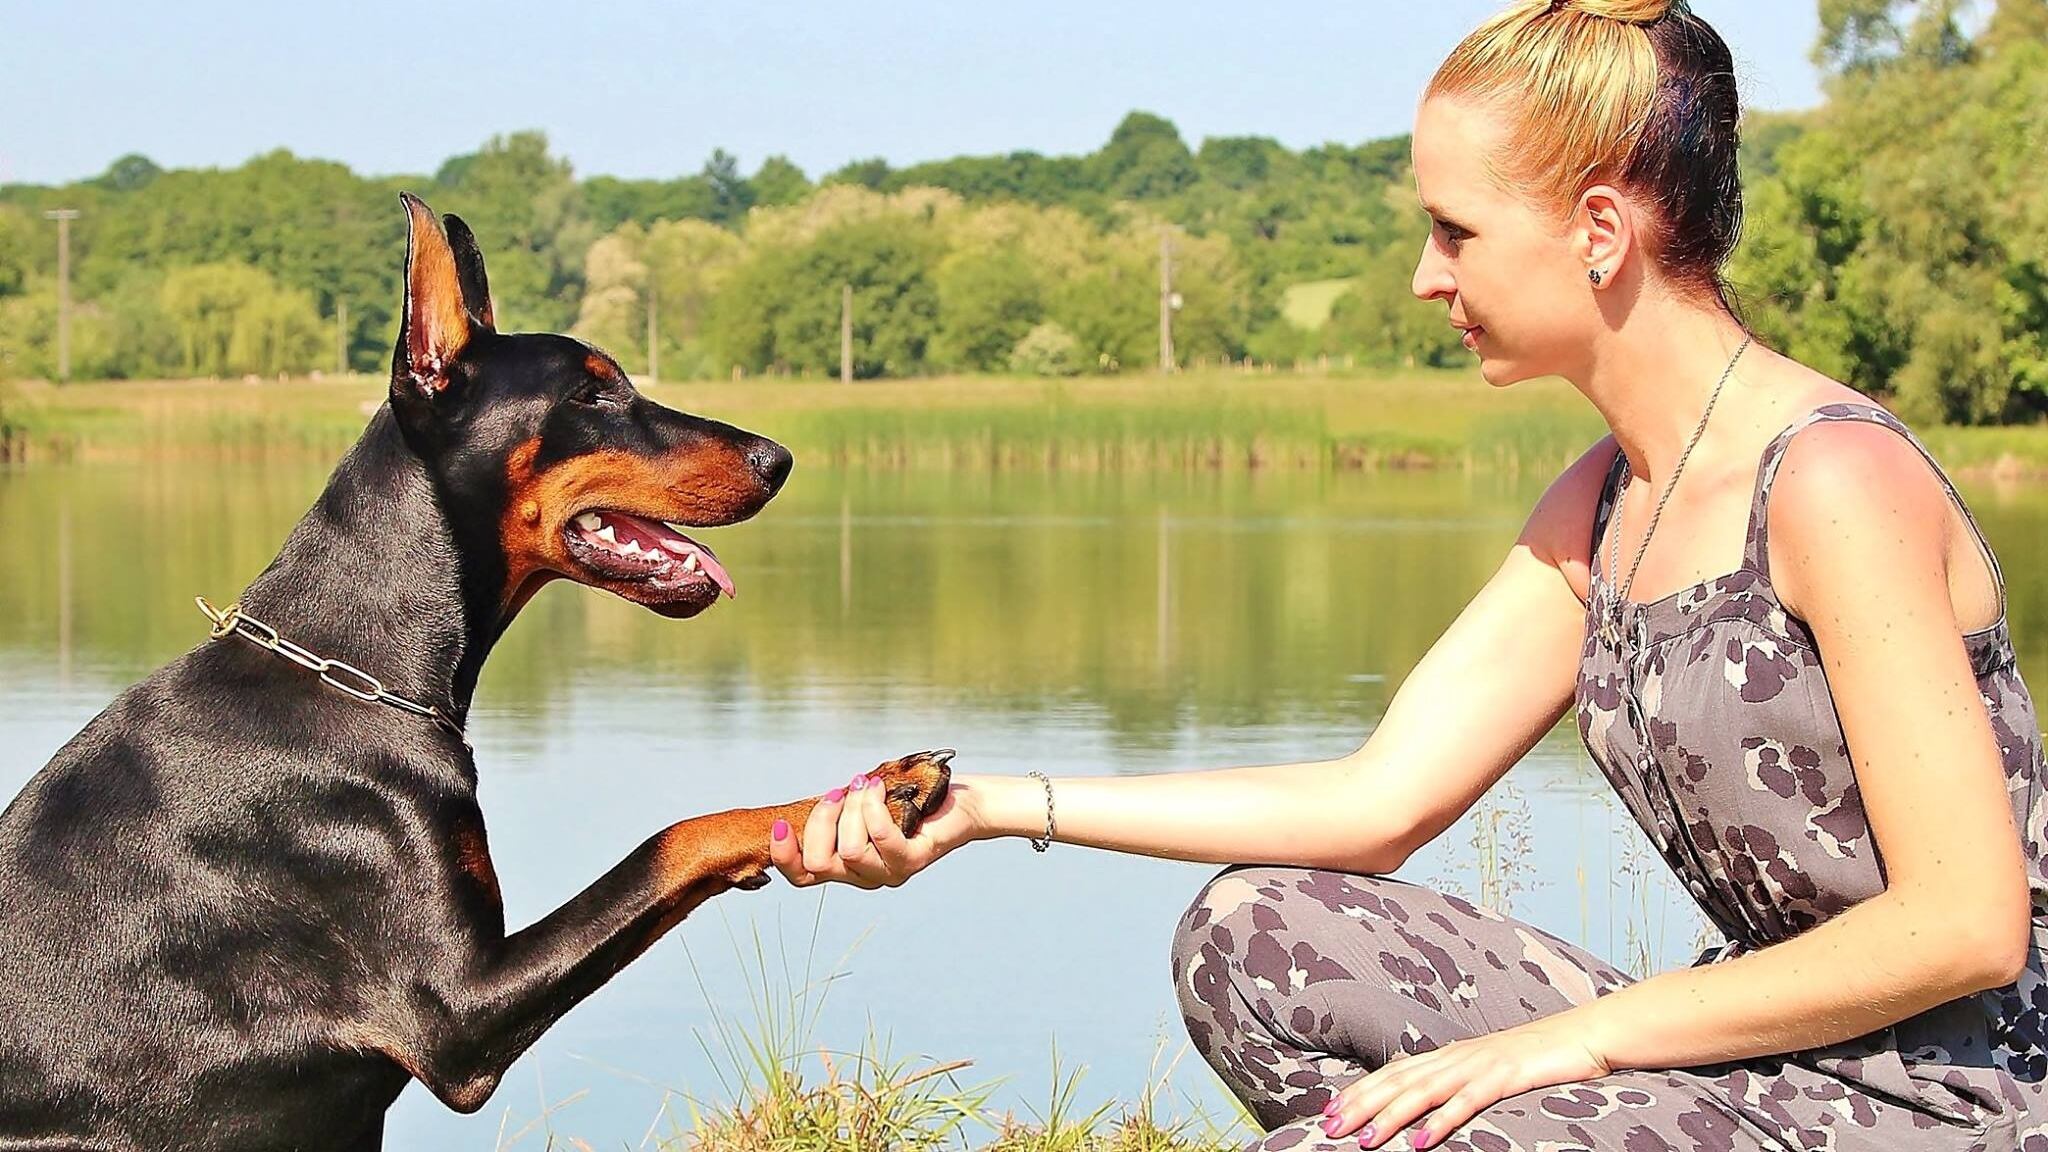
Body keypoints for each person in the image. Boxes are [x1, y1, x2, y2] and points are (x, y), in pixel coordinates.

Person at [768, 1, 2048, 1147]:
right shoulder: (1602, 506)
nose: (1425, 275)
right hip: (1759, 1057)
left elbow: (1965, 922)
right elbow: (1376, 800)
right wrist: (993, 804)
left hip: (1953, 1100)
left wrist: (1573, 1043)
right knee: (1250, 938)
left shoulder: (1828, 480)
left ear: (1598, 230)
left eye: (1454, 229)